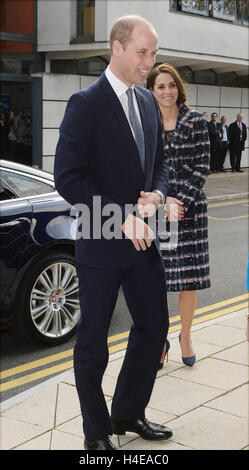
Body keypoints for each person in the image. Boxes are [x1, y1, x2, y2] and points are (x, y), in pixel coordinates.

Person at [54, 15, 173, 451]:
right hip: (101, 244)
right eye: (143, 52)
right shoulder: (84, 103)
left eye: (154, 52)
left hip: (143, 246)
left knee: (155, 327)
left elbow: (160, 164)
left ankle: (127, 413)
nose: (151, 61)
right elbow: (67, 178)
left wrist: (158, 195)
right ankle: (96, 432)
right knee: (93, 344)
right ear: (117, 48)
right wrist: (122, 214)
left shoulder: (146, 102)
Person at [146, 63, 211, 369]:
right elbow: (142, 168)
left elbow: (202, 165)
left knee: (188, 280)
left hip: (191, 211)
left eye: (171, 85)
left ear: (178, 87)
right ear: (151, 90)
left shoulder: (195, 120)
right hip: (157, 211)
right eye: (160, 86)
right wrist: (162, 200)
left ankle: (185, 336)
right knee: (158, 281)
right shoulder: (145, 124)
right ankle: (160, 340)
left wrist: (181, 200)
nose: (167, 91)